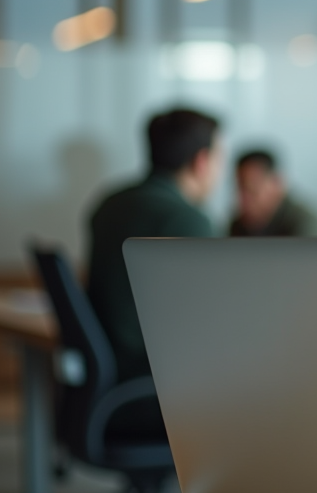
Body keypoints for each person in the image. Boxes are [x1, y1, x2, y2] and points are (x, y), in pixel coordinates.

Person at [86, 108, 222, 384]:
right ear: (202, 162)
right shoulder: (186, 220)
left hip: (109, 372)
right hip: (161, 381)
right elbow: (211, 321)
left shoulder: (110, 204)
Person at [229, 149, 317, 237]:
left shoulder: (306, 225)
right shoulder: (238, 225)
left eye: (253, 190)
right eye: (240, 189)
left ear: (276, 183)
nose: (244, 199)